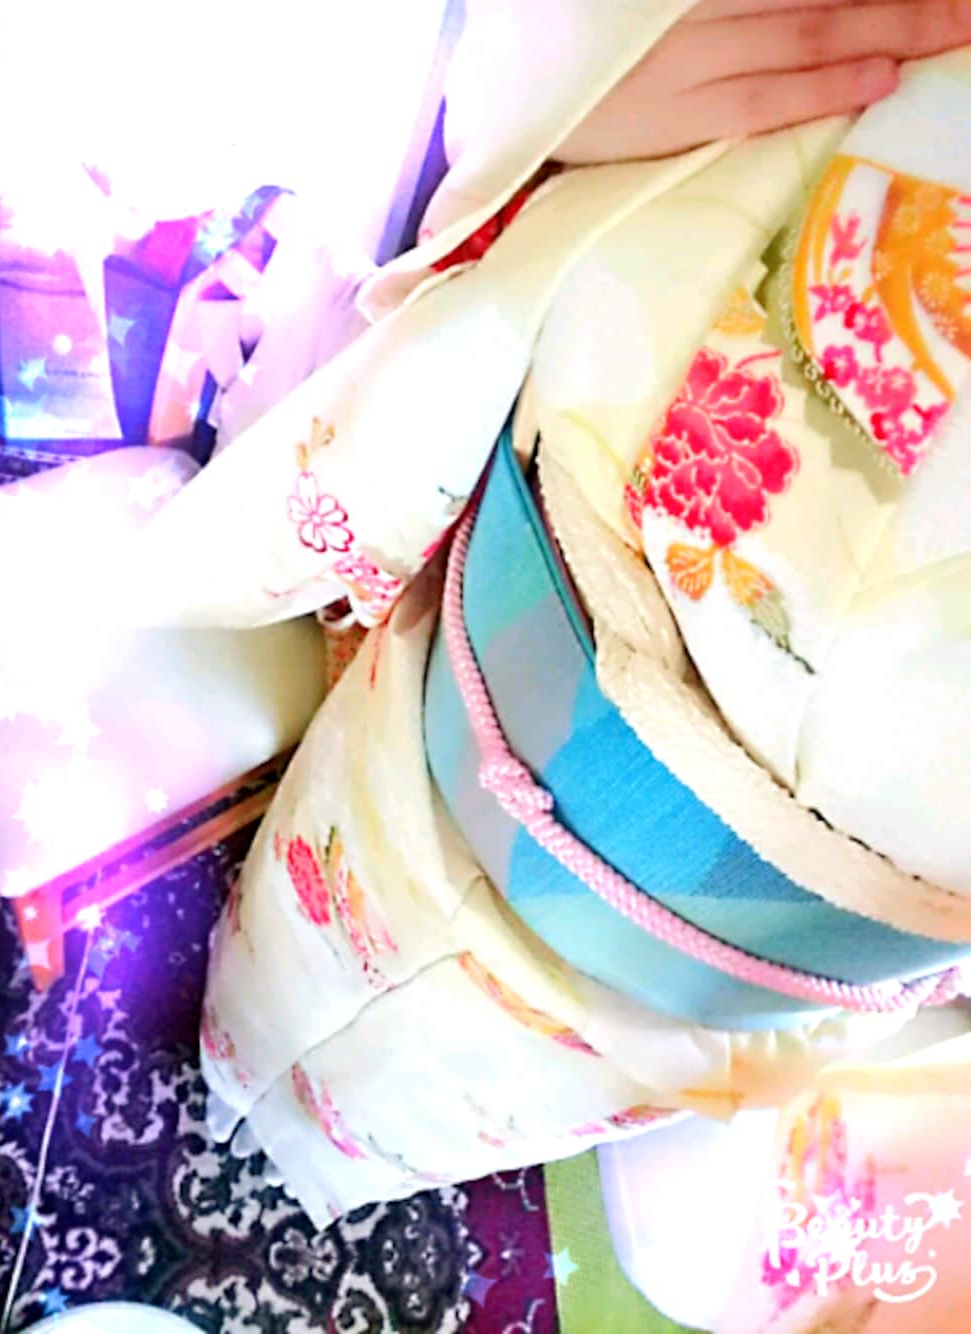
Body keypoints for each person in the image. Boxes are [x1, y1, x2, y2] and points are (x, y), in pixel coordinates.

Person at [191, 0, 971, 1264]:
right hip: (506, 640)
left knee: (461, 1088)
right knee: (326, 908)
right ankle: (236, 1063)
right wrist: (544, 104)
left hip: (762, 942)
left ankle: (316, 1147)